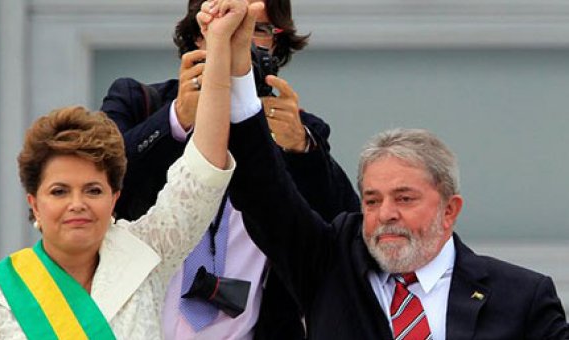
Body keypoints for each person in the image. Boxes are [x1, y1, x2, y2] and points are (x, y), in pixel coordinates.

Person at [0, 2, 247, 336]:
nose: (77, 203)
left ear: (115, 198)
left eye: (93, 190)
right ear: (34, 204)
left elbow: (203, 175)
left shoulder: (145, 258)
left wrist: (218, 45)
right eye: (59, 191)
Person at [219, 67, 569, 337]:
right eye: (371, 201)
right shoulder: (329, 267)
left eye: (404, 198)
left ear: (449, 210)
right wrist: (236, 72)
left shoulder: (521, 297)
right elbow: (261, 192)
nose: (386, 214)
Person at [101, 0, 359, 339]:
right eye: (226, 24)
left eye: (257, 28)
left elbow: (342, 235)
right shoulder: (139, 102)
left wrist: (301, 149)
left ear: (277, 43)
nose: (241, 39)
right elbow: (101, 185)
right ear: (197, 34)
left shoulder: (300, 130)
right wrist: (176, 119)